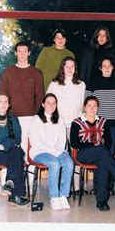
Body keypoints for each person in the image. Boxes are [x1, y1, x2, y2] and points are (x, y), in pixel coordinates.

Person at [70, 96, 115, 211]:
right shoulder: (76, 122)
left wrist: (99, 147)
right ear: (84, 107)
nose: (92, 108)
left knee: (103, 163)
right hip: (83, 154)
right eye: (89, 105)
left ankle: (102, 201)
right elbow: (74, 143)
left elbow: (108, 142)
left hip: (101, 154)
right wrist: (92, 145)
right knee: (101, 150)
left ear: (98, 108)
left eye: (95, 106)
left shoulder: (103, 121)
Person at [0, 41, 44, 190]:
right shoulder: (8, 72)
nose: (23, 54)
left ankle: (28, 185)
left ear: (29, 53)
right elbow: (2, 95)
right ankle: (6, 185)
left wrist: (34, 114)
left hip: (29, 118)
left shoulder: (36, 73)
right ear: (15, 53)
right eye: (20, 51)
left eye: (25, 51)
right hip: (11, 118)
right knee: (9, 149)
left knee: (27, 149)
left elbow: (40, 97)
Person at [0, 92, 29, 206]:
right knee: (17, 156)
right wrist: (3, 145)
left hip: (10, 152)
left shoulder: (14, 119)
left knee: (16, 153)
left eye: (5, 102)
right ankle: (17, 193)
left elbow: (17, 138)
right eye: (0, 101)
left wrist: (5, 145)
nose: (3, 104)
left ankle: (10, 186)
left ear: (9, 105)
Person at [46, 56, 86, 192]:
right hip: (58, 125)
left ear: (75, 69)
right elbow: (48, 104)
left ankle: (75, 186)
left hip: (75, 125)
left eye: (72, 66)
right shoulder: (54, 84)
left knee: (76, 155)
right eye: (66, 66)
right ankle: (59, 185)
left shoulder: (81, 84)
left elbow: (83, 106)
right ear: (62, 68)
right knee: (60, 154)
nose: (69, 69)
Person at [29, 93, 74, 210]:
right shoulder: (36, 119)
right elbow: (35, 142)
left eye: (54, 103)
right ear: (43, 104)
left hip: (58, 151)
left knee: (69, 163)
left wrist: (58, 151)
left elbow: (62, 139)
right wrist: (53, 151)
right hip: (39, 152)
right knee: (54, 163)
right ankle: (54, 197)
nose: (51, 105)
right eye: (48, 103)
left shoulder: (60, 119)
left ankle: (63, 196)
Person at [85, 56, 115, 156]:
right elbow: (86, 103)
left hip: (114, 124)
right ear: (100, 68)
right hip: (97, 123)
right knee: (98, 152)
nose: (107, 68)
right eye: (104, 66)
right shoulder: (92, 82)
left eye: (109, 66)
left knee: (111, 152)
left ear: (113, 67)